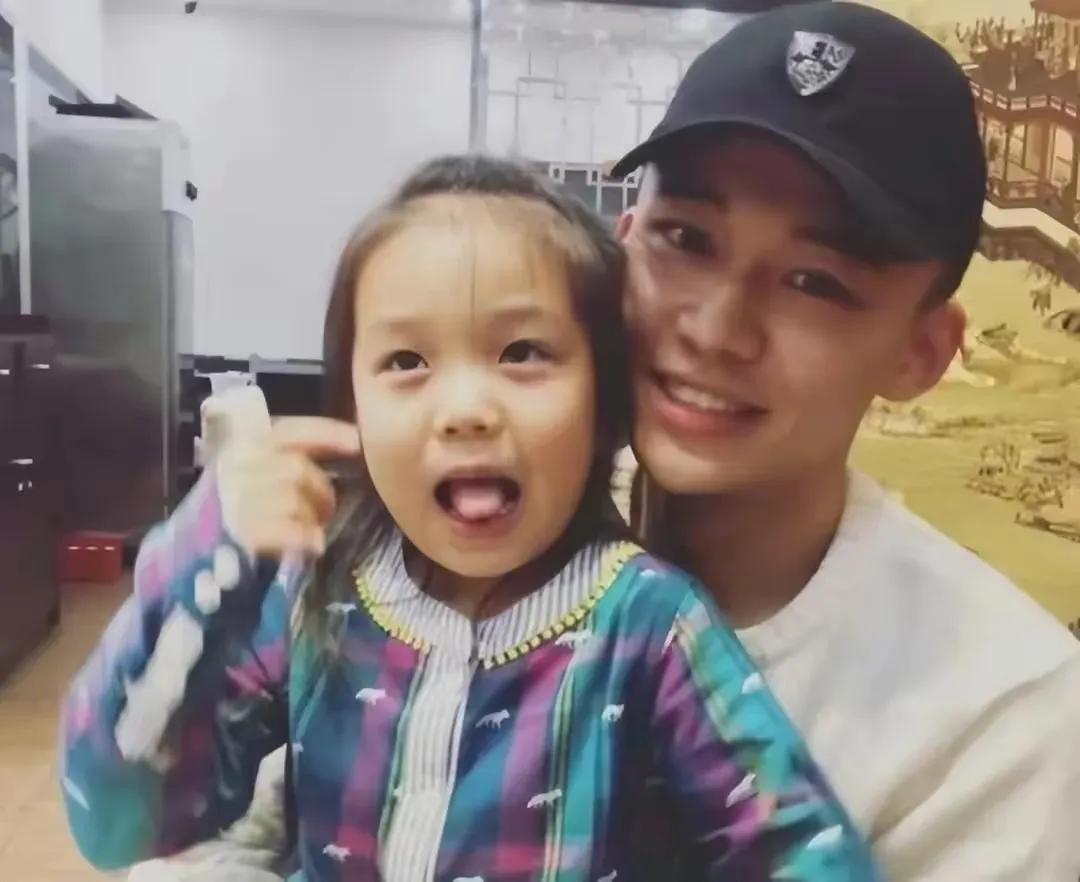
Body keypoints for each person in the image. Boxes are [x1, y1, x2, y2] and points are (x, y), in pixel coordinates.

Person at [60, 155, 882, 882]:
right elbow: (121, 822)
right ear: (354, 405)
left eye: (523, 353)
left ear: (604, 405)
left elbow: (800, 851)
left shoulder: (653, 627)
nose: (464, 410)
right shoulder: (312, 594)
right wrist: (203, 565)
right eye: (406, 361)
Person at [610, 2, 1080, 880]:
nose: (716, 329)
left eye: (814, 282)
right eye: (686, 239)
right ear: (622, 246)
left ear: (921, 352)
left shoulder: (1001, 715)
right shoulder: (476, 542)